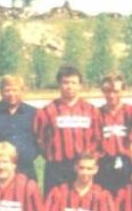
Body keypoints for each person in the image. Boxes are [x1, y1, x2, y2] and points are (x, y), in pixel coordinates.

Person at [34, 66, 101, 194]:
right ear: (59, 85)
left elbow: (98, 138)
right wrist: (51, 155)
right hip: (56, 168)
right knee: (54, 203)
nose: (69, 86)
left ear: (80, 85)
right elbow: (40, 138)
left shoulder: (91, 110)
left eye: (74, 83)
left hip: (83, 168)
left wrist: (90, 159)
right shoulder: (47, 111)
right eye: (65, 82)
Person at [96, 74, 132, 193]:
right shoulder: (97, 114)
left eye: (116, 91)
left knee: (127, 196)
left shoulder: (131, 112)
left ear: (123, 90)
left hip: (126, 162)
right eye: (108, 91)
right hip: (104, 163)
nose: (112, 95)